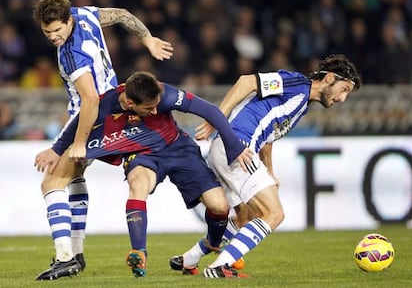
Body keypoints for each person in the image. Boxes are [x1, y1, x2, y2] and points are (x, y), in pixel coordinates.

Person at [40, 71, 253, 278]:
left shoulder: (164, 94)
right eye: (149, 108)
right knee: (138, 184)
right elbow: (78, 122)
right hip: (142, 155)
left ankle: (213, 242)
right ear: (131, 104)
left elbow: (211, 110)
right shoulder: (105, 105)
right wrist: (56, 149)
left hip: (178, 148)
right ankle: (139, 253)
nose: (154, 111)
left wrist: (234, 147)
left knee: (219, 206)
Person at [169, 54, 362, 278]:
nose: (343, 98)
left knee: (246, 218)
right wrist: (217, 118)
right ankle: (219, 266)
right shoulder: (296, 84)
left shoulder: (302, 103)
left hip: (229, 150)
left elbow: (268, 136)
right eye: (344, 89)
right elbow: (247, 82)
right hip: (238, 147)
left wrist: (269, 171)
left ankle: (189, 259)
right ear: (330, 78)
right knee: (274, 213)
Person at [32, 0, 173, 280]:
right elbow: (121, 14)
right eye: (48, 32)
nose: (54, 37)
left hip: (93, 116)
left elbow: (90, 100)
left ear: (68, 21)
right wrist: (147, 39)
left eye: (58, 30)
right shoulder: (84, 14)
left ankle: (65, 257)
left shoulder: (73, 55)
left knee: (51, 183)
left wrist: (79, 141)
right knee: (75, 177)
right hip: (111, 107)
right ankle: (77, 253)